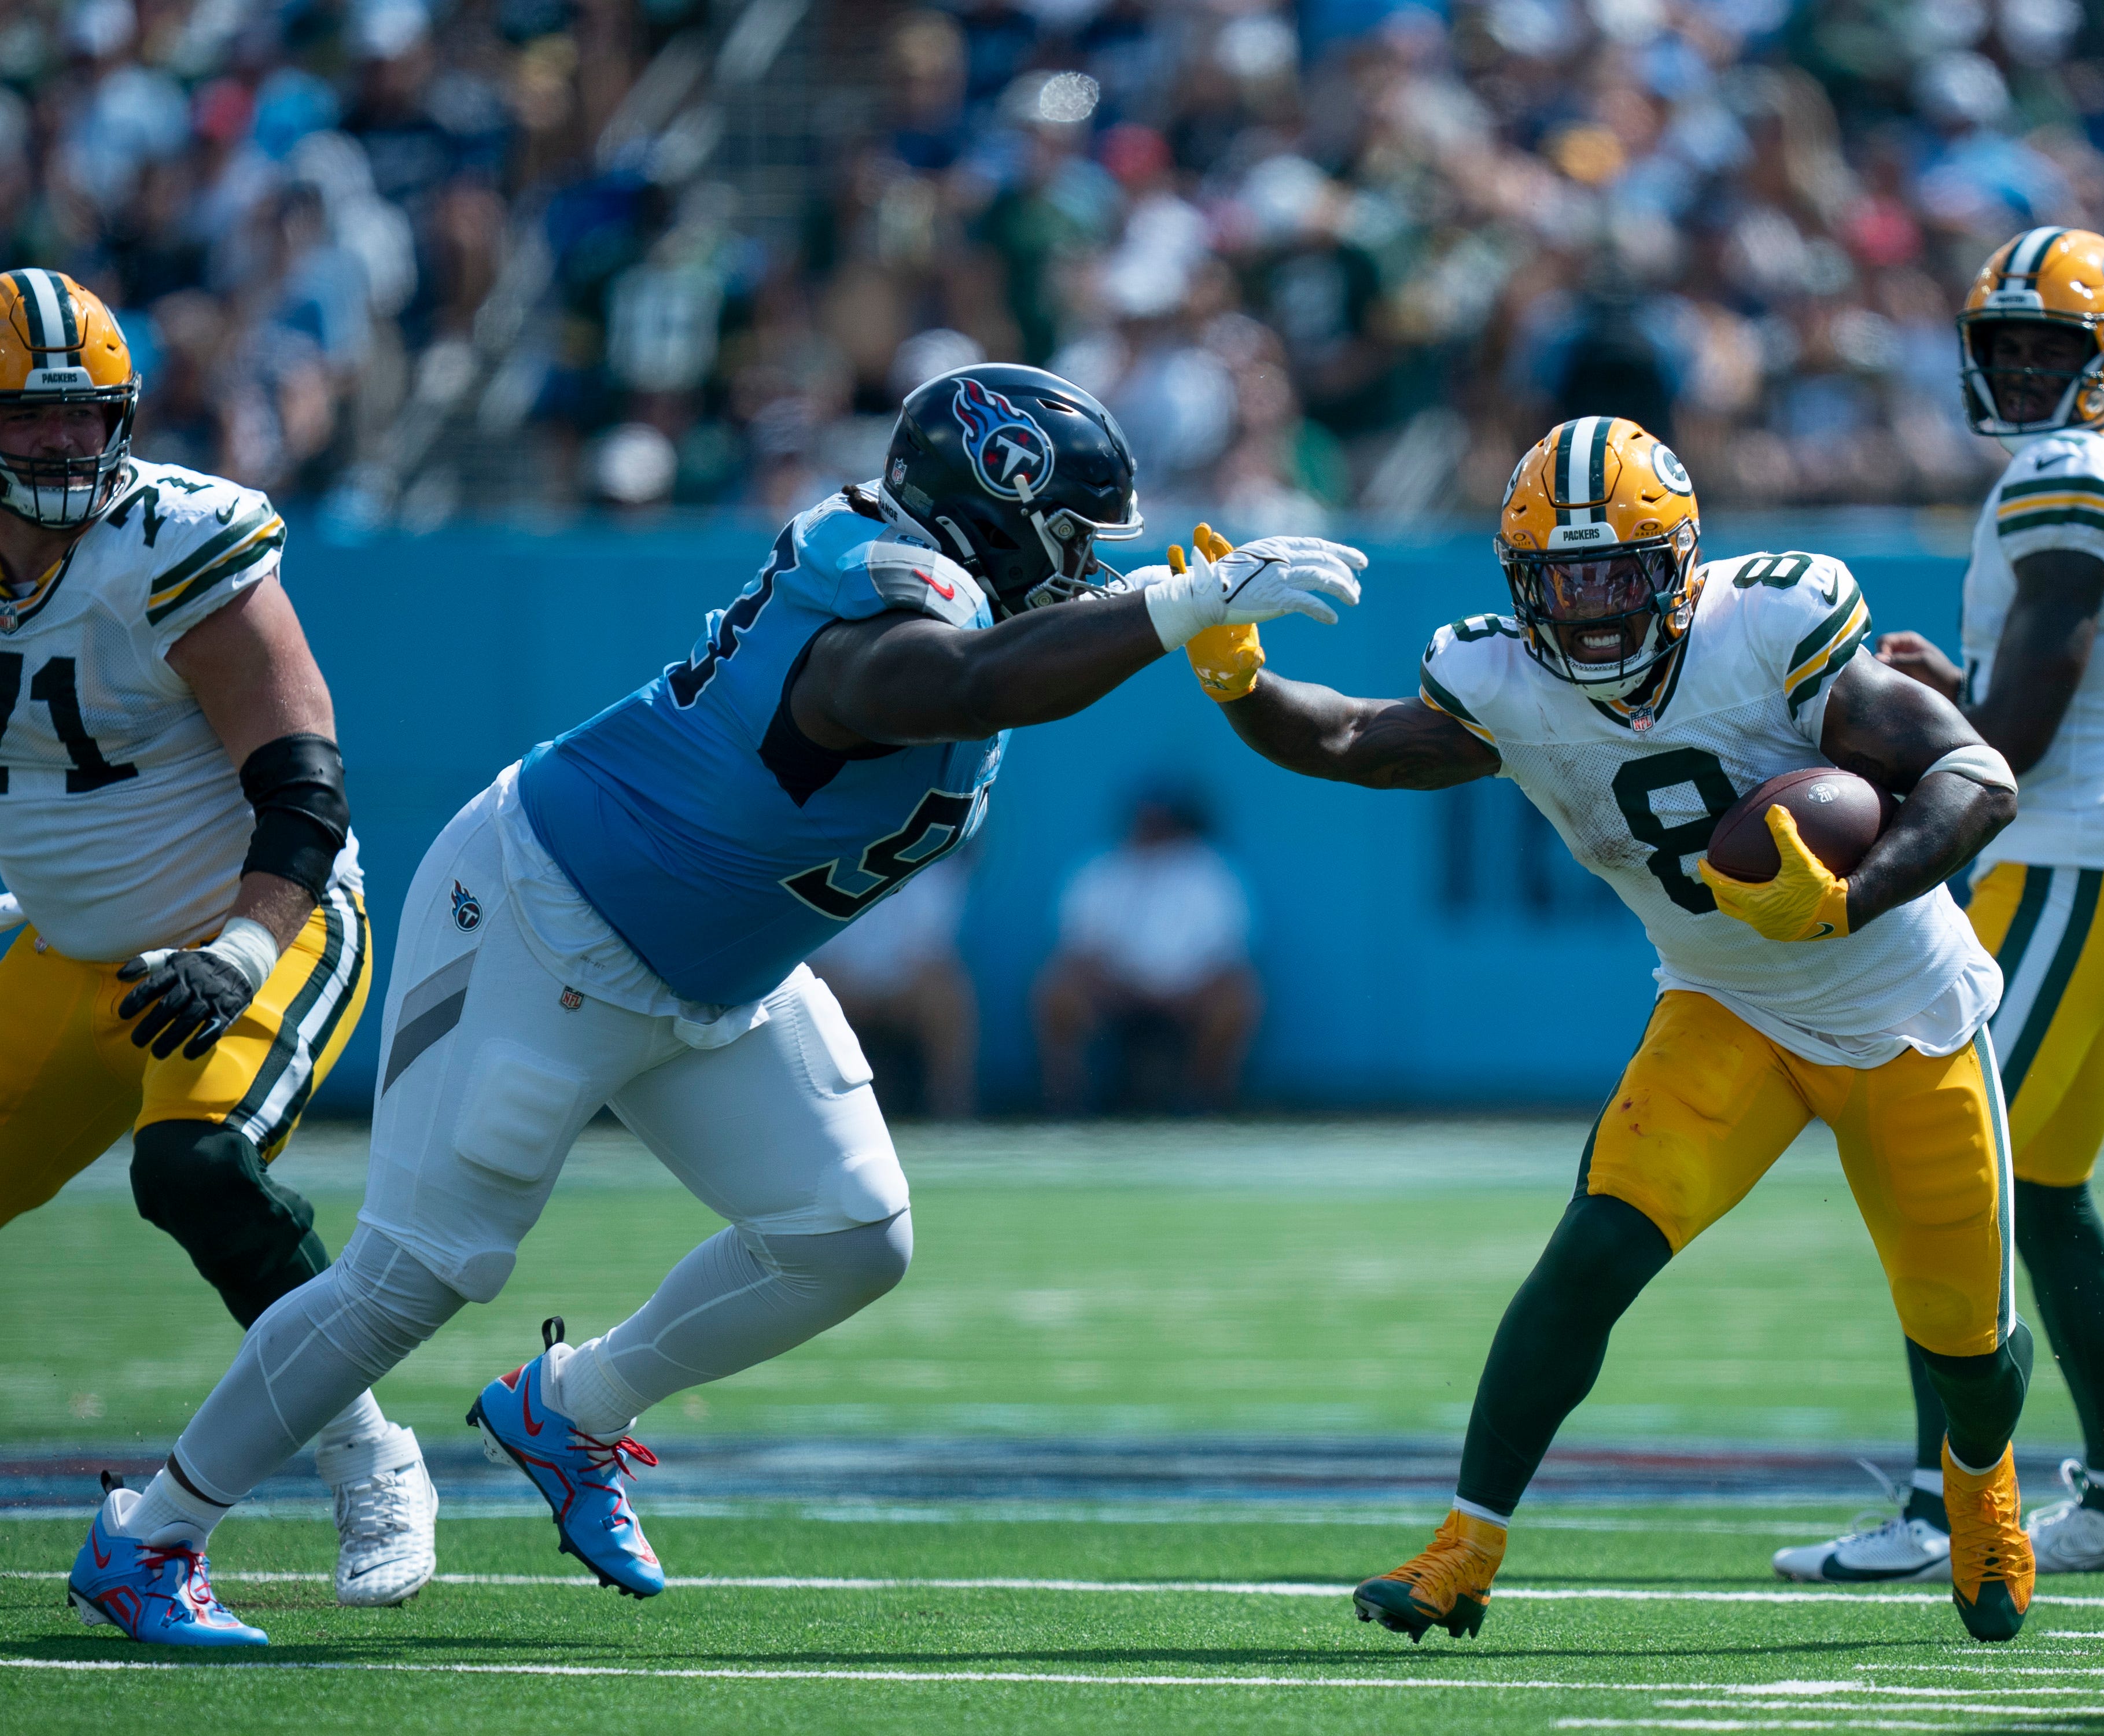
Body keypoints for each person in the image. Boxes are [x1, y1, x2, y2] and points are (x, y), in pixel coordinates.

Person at [64, 362, 1366, 1645]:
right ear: (994, 510)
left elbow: (1002, 665)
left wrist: (1154, 608)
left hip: (713, 966)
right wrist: (1169, 606)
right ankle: (151, 1535)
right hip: (550, 912)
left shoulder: (957, 589)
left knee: (848, 1230)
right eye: (1072, 540)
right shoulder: (879, 587)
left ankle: (569, 1409)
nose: (1086, 566)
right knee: (417, 1268)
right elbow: (954, 685)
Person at [1199, 415, 2036, 1643]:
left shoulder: (1770, 630)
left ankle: (1980, 1481)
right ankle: (1461, 1549)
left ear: (1681, 565)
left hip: (1900, 1008)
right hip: (1724, 1005)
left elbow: (1978, 776)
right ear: (1518, 584)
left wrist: (1851, 896)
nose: (1589, 610)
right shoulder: (1500, 681)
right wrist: (1233, 673)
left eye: (1614, 575)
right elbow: (1343, 740)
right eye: (1561, 580)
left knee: (1965, 1340)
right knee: (1588, 1258)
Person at [0, 269, 433, 1634]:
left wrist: (245, 950)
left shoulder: (174, 537)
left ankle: (367, 1451)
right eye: (34, 419)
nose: (72, 447)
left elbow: (302, 781)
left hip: (252, 917)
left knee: (193, 1165)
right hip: (67, 948)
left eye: (92, 419)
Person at [1778, 228, 2104, 1584]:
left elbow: (2018, 729)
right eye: (2004, 347)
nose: (2022, 371)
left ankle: (1934, 1502)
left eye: (2050, 347)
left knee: (1938, 1171)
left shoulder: (2069, 476)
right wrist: (1943, 682)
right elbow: (2025, 689)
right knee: (2047, 1192)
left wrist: (1913, 729)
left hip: (2077, 859)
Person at [1035, 789, 1259, 1112]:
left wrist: (1181, 993)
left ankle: (1206, 1105)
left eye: (1162, 822)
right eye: (1146, 821)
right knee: (1056, 990)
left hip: (1190, 994)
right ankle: (1066, 1106)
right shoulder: (1100, 870)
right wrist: (1119, 988)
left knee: (1240, 996)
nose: (1152, 830)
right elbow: (1077, 949)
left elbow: (1228, 955)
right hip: (1113, 991)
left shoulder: (1211, 872)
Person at [809, 853, 979, 1118]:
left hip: (903, 989)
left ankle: (952, 1117)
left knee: (944, 992)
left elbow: (926, 954)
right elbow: (818, 956)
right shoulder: (821, 867)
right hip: (837, 983)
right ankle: (815, 1118)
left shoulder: (931, 871)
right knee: (808, 991)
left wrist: (882, 992)